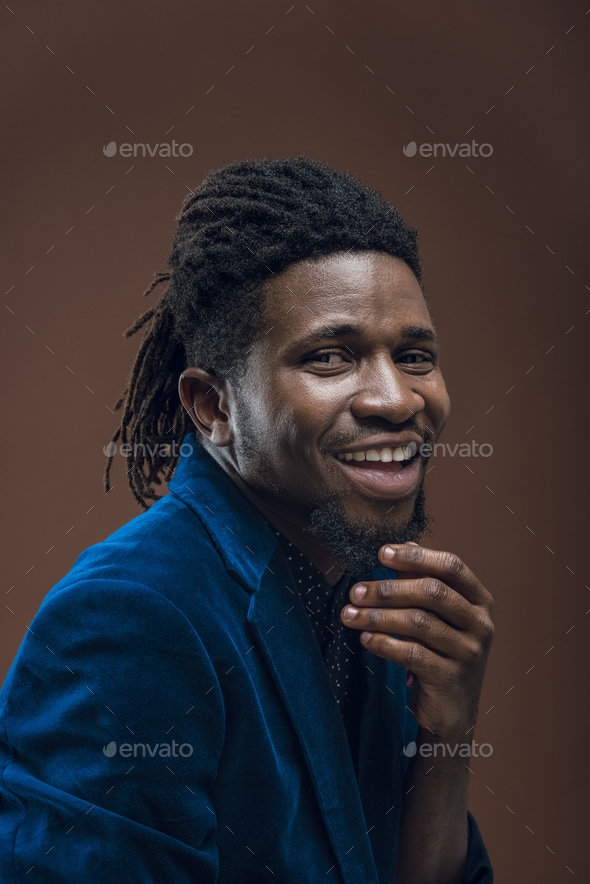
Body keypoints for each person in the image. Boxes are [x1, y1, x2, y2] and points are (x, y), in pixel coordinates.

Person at [0, 156, 494, 883]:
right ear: (213, 406)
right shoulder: (131, 621)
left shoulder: (361, 595)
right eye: (331, 357)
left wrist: (447, 739)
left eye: (414, 355)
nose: (395, 398)